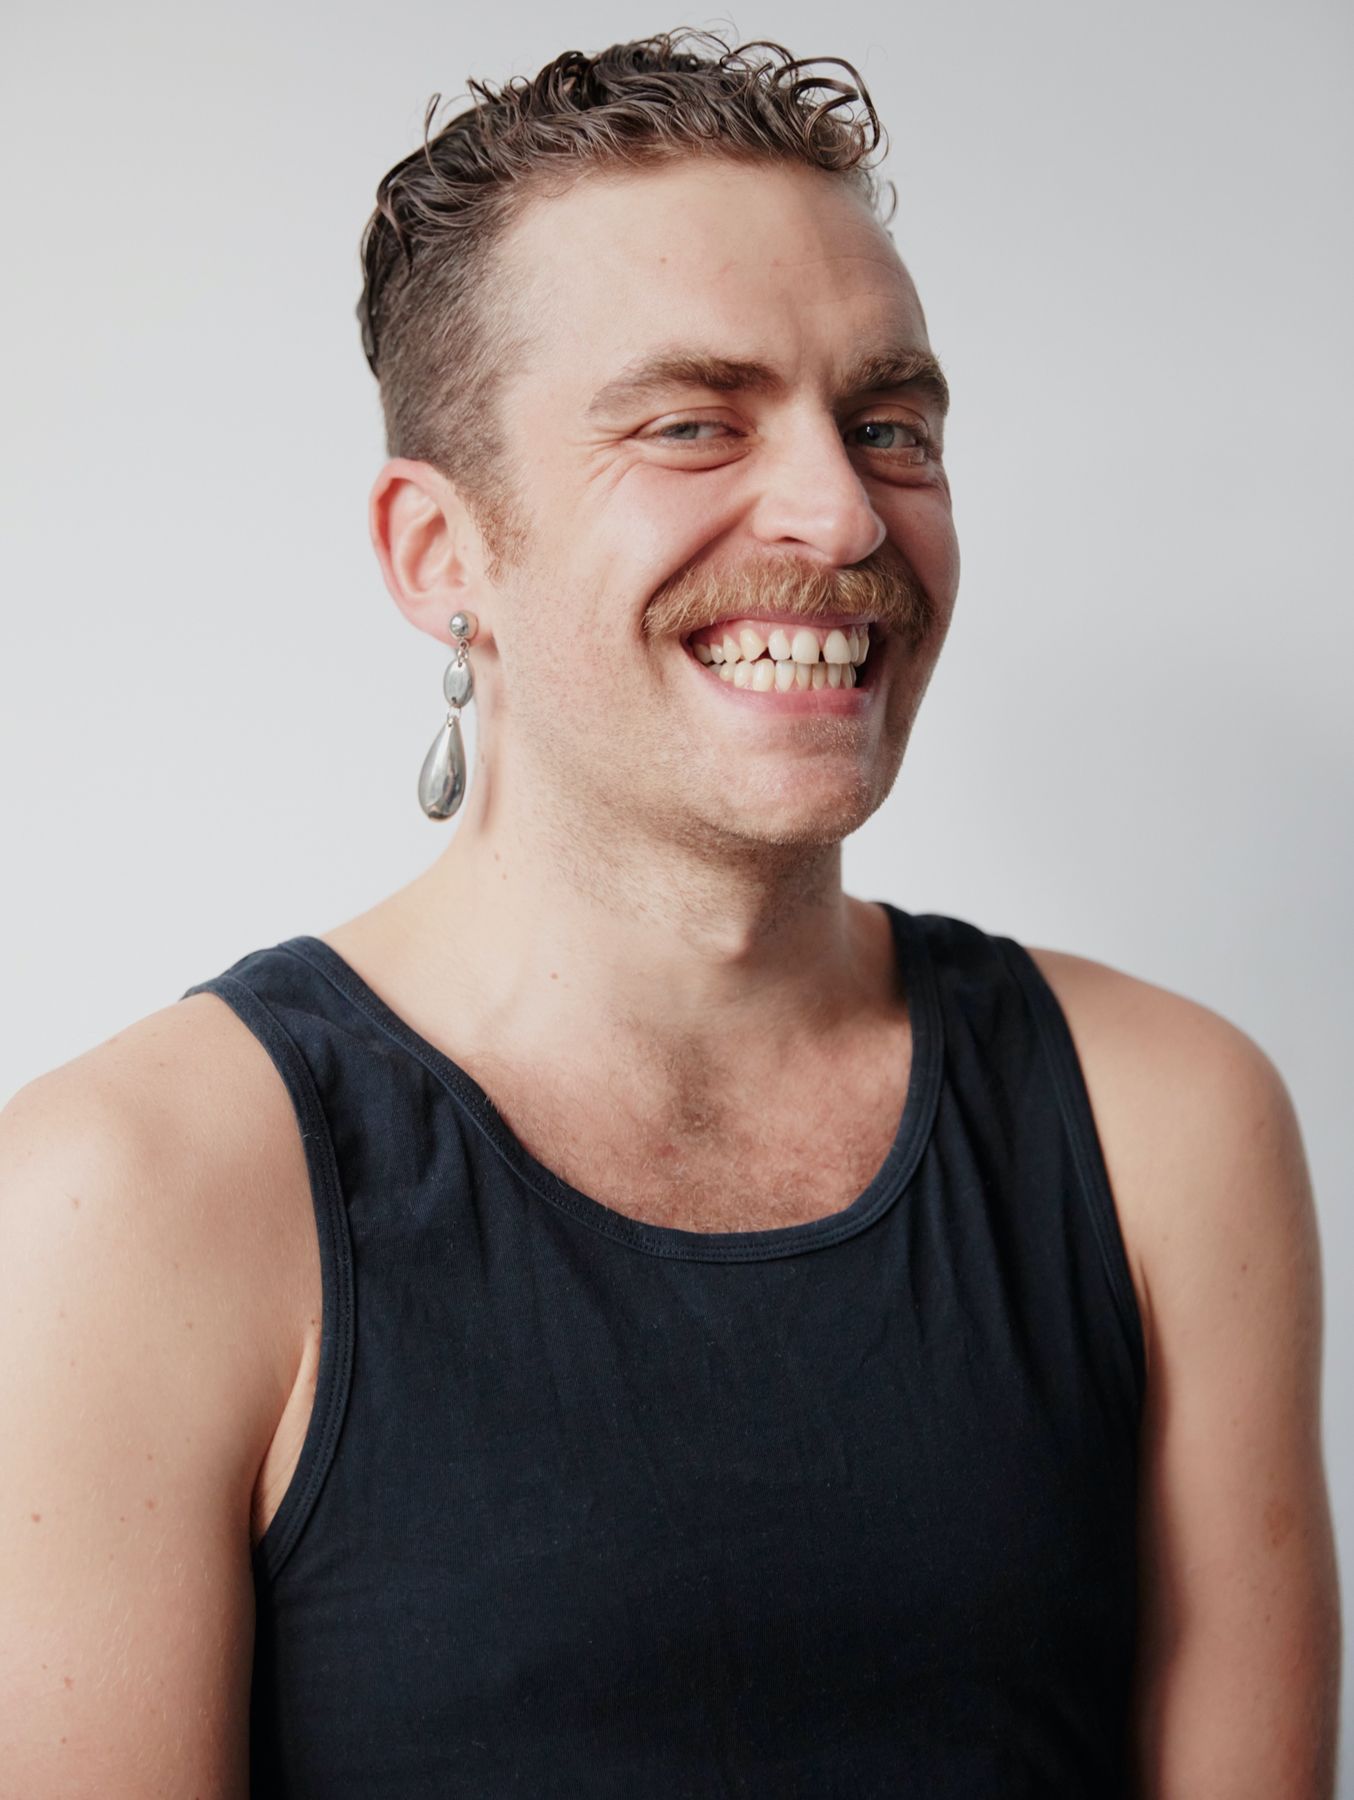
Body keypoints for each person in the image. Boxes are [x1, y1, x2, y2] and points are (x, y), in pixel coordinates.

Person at [1, 28, 1340, 1798]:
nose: (841, 514)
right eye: (693, 424)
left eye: (889, 426)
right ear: (437, 553)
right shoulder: (131, 1196)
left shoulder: (1163, 1122)